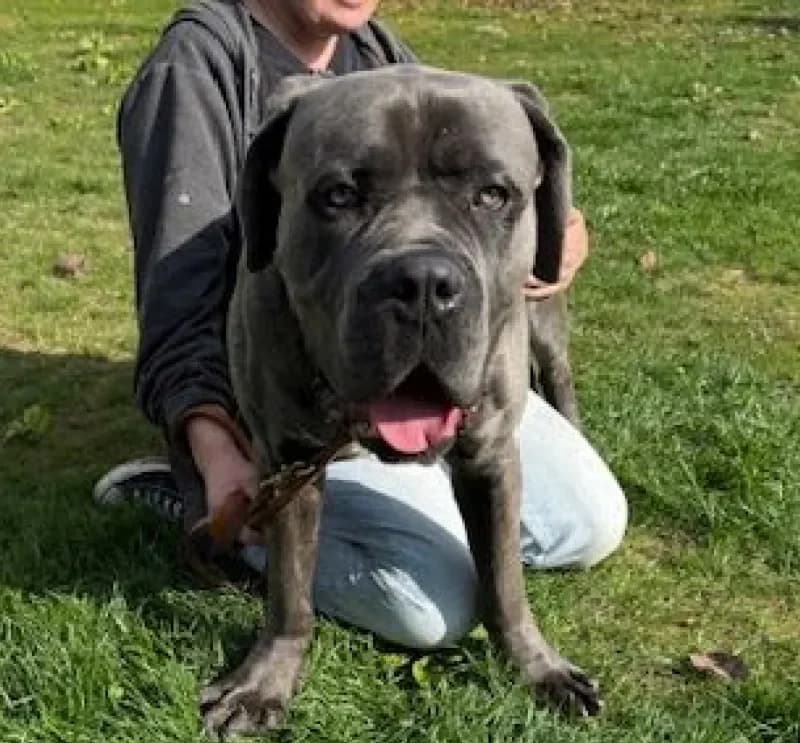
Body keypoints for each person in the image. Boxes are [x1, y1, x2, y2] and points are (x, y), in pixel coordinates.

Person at [94, 0, 627, 649]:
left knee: (592, 524)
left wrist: (555, 236)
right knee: (426, 606)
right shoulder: (198, 64)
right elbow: (177, 280)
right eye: (342, 197)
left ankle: (421, 493)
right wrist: (212, 448)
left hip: (443, 367)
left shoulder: (375, 55)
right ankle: (191, 502)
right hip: (296, 402)